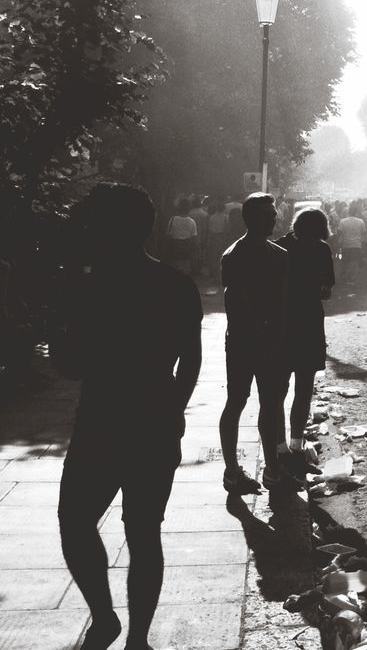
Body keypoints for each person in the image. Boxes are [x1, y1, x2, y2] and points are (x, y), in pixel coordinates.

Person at [55, 184, 202, 650]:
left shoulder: (87, 286)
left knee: (75, 520)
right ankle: (137, 636)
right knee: (143, 532)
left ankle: (104, 617)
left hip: (101, 419)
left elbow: (69, 364)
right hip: (154, 416)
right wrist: (174, 406)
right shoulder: (176, 285)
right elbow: (192, 358)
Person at [220, 192, 293, 494]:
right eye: (267, 214)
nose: (273, 218)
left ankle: (272, 468)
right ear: (250, 218)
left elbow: (284, 302)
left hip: (269, 341)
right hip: (244, 341)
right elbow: (235, 301)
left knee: (271, 404)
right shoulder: (234, 256)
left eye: (273, 213)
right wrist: (263, 331)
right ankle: (233, 470)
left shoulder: (280, 255)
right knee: (238, 401)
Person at [274, 208, 335, 474]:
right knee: (301, 389)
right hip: (307, 323)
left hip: (283, 325)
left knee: (279, 391)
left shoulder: (278, 248)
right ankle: (293, 445)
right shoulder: (322, 250)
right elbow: (327, 289)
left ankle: (283, 448)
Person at [165, 198, 199, 275]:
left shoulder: (172, 219)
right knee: (186, 266)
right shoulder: (191, 221)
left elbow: (168, 234)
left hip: (175, 245)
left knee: (175, 265)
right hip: (187, 245)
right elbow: (194, 237)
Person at [336, 203, 367, 286]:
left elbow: (339, 233)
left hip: (346, 245)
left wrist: (339, 243)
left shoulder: (343, 221)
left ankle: (345, 278)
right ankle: (352, 279)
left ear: (348, 212)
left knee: (346, 262)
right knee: (355, 262)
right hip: (357, 245)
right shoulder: (361, 221)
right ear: (356, 212)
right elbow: (364, 233)